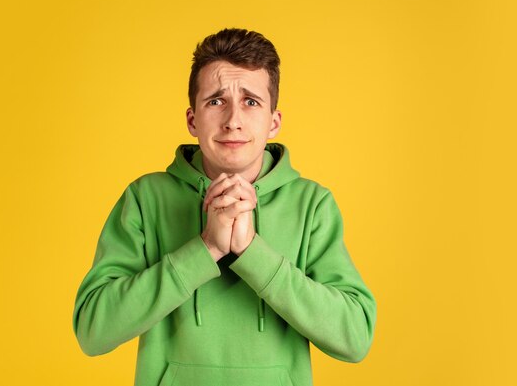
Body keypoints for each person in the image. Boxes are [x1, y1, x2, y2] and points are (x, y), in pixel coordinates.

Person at [72, 28, 377, 386]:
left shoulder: (313, 204)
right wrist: (207, 248)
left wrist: (252, 252)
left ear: (273, 122)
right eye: (216, 101)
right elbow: (93, 332)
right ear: (192, 120)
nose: (233, 120)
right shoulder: (145, 198)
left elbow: (355, 338)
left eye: (251, 101)